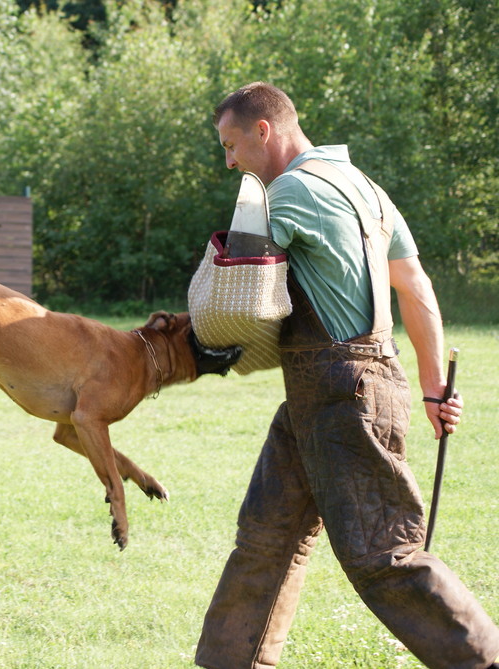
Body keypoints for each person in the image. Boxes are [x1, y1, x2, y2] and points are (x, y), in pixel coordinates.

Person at [194, 81, 499, 669]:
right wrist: (436, 389)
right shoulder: (368, 190)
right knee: (266, 537)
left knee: (384, 554)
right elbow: (416, 289)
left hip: (341, 396)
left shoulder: (286, 193)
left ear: (264, 131)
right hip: (339, 392)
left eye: (232, 145)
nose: (229, 161)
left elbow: (232, 299)